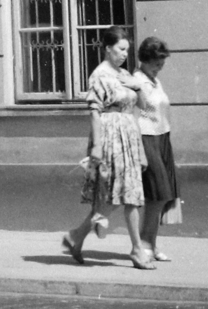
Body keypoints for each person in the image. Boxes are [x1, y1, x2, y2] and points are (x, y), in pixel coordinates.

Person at [62, 25, 154, 271]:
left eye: (127, 50)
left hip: (129, 136)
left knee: (129, 194)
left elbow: (143, 107)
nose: (125, 54)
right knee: (116, 196)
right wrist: (98, 147)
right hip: (110, 136)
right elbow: (94, 112)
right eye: (121, 49)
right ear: (108, 48)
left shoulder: (124, 74)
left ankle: (77, 237)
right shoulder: (100, 74)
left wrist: (135, 83)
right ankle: (133, 249)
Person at [135, 36, 178, 262]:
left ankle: (151, 243)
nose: (159, 67)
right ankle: (143, 243)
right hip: (146, 138)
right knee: (157, 193)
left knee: (164, 194)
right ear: (145, 59)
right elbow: (135, 114)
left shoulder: (154, 80)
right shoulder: (137, 81)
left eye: (162, 63)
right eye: (156, 63)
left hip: (162, 137)